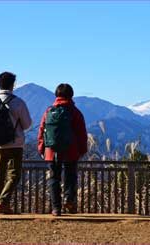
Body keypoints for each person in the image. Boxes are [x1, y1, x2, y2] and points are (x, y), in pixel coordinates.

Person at [0, 71, 32, 214]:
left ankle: (0, 205)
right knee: (14, 175)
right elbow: (27, 124)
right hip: (15, 144)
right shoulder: (18, 102)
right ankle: (3, 202)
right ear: (12, 85)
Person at [37, 83, 87, 216]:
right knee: (70, 176)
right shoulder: (75, 112)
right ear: (71, 95)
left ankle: (56, 208)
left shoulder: (49, 111)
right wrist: (82, 151)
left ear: (56, 95)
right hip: (71, 151)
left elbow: (42, 130)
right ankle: (69, 199)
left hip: (51, 151)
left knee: (54, 178)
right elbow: (82, 134)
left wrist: (42, 148)